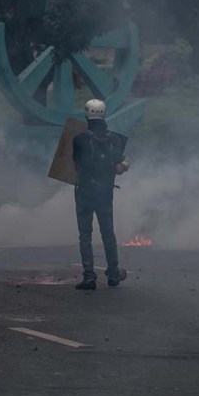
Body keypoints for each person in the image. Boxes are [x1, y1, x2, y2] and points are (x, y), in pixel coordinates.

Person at [73, 99, 130, 290]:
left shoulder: (79, 139)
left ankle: (89, 277)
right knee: (108, 233)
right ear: (104, 114)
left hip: (84, 192)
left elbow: (76, 165)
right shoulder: (116, 139)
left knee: (85, 235)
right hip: (105, 192)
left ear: (86, 114)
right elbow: (118, 168)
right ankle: (113, 274)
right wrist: (125, 164)